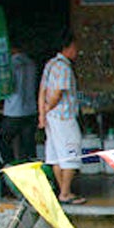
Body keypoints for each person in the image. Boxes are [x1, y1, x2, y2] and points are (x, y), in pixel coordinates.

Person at [38, 33, 84, 204]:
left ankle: (64, 191)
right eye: (74, 47)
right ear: (67, 47)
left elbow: (42, 91)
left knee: (56, 155)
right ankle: (65, 193)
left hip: (51, 118)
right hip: (64, 117)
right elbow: (57, 93)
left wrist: (43, 114)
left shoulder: (50, 64)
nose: (76, 51)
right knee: (71, 152)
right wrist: (49, 106)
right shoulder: (64, 68)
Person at [0, 44, 38, 165]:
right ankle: (31, 170)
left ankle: (11, 166)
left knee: (3, 142)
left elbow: (6, 88)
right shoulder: (31, 63)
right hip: (30, 110)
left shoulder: (10, 65)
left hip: (14, 111)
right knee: (28, 145)